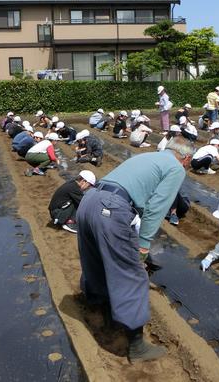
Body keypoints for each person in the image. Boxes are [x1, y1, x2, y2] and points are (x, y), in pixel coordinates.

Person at [76, 138, 191, 362]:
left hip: (89, 201)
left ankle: (99, 308)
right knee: (131, 273)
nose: (187, 166)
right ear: (185, 158)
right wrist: (144, 242)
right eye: (188, 162)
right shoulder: (176, 167)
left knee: (96, 260)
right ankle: (137, 347)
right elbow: (158, 205)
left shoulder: (148, 157)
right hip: (111, 209)